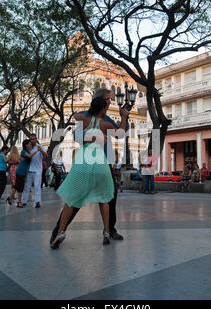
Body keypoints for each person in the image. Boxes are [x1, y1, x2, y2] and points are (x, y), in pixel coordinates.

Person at [50, 89, 127, 244]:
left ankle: (109, 230)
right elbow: (120, 133)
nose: (109, 102)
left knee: (108, 197)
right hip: (100, 162)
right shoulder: (96, 119)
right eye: (107, 99)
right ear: (99, 101)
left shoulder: (94, 118)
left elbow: (118, 133)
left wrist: (123, 117)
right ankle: (60, 228)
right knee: (101, 198)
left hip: (98, 161)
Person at [22, 134, 47, 208]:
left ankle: (38, 202)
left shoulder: (39, 146)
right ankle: (23, 201)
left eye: (33, 139)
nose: (32, 140)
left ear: (36, 139)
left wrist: (41, 150)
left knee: (37, 186)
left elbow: (46, 156)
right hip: (29, 169)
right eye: (31, 139)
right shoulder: (28, 147)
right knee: (26, 186)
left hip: (37, 170)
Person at [9, 140, 33, 208]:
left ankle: (10, 198)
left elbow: (23, 160)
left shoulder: (27, 152)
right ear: (26, 145)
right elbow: (30, 156)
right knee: (20, 188)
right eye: (30, 144)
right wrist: (37, 150)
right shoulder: (24, 151)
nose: (31, 145)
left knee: (16, 186)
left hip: (21, 171)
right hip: (20, 172)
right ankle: (19, 203)